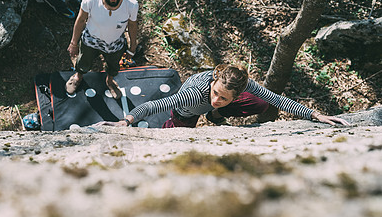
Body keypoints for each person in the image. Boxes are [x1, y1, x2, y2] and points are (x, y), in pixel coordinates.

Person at [99, 63, 350, 128]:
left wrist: (316, 114)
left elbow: (277, 100)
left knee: (261, 101)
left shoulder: (241, 84)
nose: (216, 97)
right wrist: (126, 120)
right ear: (215, 79)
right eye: (216, 93)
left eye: (224, 99)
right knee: (176, 130)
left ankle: (216, 115)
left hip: (207, 107)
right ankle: (209, 115)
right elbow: (156, 105)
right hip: (187, 112)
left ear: (236, 93)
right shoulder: (194, 94)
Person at [66, 0, 138, 99]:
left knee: (113, 66)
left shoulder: (131, 4)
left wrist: (133, 47)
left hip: (115, 43)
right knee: (83, 62)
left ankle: (110, 81)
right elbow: (81, 20)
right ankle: (78, 76)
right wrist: (73, 43)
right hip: (91, 40)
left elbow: (132, 25)